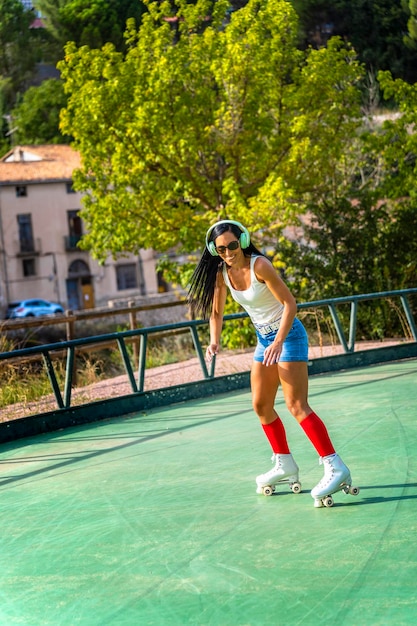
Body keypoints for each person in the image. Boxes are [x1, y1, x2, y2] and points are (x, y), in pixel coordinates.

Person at [188, 219, 358, 508]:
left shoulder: (260, 266)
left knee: (296, 405)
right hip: (265, 340)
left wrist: (279, 341)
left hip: (288, 335)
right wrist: (214, 341)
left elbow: (290, 304)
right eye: (221, 249)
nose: (228, 252)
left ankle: (335, 466)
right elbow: (216, 312)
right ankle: (285, 464)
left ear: (241, 241)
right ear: (214, 250)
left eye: (231, 245)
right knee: (261, 405)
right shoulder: (222, 273)